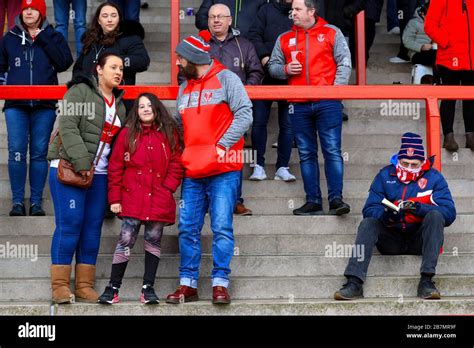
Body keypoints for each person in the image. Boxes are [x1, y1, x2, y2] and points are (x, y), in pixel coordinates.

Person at [166, 35, 252, 305]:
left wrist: (223, 146)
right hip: (193, 171)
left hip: (223, 170)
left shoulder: (228, 79)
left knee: (222, 227)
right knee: (187, 228)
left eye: (181, 58)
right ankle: (187, 284)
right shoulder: (184, 88)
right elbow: (180, 125)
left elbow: (245, 113)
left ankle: (220, 283)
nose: (178, 62)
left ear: (194, 58)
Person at [334, 133, 456, 300]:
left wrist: (419, 208)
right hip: (391, 240)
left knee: (435, 215)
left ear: (422, 163)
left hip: (418, 240)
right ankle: (354, 282)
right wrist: (387, 216)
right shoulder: (385, 175)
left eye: (414, 164)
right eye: (405, 163)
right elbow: (369, 208)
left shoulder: (434, 178)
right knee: (368, 222)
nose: (409, 167)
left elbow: (449, 213)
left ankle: (427, 281)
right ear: (398, 160)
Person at [47, 53, 127, 304]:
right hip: (69, 168)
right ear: (99, 70)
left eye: (121, 69)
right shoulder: (79, 91)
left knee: (92, 229)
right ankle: (60, 286)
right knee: (70, 224)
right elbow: (68, 126)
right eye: (113, 67)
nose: (118, 72)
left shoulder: (121, 104)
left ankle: (84, 286)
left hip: (100, 175)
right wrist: (83, 163)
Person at [98, 93, 184, 305]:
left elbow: (176, 162)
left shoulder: (169, 133)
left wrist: (168, 188)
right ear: (135, 111)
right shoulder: (127, 134)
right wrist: (115, 199)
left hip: (159, 198)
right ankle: (113, 287)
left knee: (153, 241)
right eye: (141, 106)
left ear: (156, 108)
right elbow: (116, 167)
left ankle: (148, 288)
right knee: (126, 240)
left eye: (149, 105)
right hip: (132, 198)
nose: (145, 109)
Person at [268, 0, 352, 216]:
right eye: (292, 10)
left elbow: (344, 63)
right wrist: (286, 69)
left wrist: (335, 92)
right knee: (306, 153)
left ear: (311, 11)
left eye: (297, 9)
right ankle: (313, 199)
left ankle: (336, 199)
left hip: (327, 101)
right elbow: (273, 67)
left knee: (332, 151)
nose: (292, 13)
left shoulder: (332, 32)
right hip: (298, 104)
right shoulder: (284, 38)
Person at [0, 0, 73, 217]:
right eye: (25, 9)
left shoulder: (53, 36)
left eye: (33, 9)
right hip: (16, 106)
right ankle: (17, 202)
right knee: (16, 153)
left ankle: (36, 202)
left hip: (44, 105)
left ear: (41, 13)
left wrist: (43, 37)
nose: (29, 12)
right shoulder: (9, 38)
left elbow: (64, 63)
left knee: (40, 153)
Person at [200, 3, 264, 216]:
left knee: (234, 154)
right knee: (206, 153)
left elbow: (256, 72)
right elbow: (185, 74)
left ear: (230, 20)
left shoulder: (243, 45)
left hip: (235, 112)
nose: (216, 20)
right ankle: (209, 200)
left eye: (220, 17)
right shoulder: (200, 46)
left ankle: (235, 201)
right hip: (205, 109)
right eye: (212, 17)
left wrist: (243, 93)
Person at [247, 0, 296, 183]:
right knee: (259, 121)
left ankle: (282, 166)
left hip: (291, 77)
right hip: (264, 75)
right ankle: (257, 165)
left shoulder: (299, 12)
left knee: (288, 124)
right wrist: (265, 57)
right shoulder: (265, 10)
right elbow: (254, 35)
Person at [73, 2, 150, 110]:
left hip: (120, 104)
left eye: (114, 16)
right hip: (90, 103)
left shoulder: (130, 38)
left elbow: (143, 61)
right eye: (105, 16)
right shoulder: (90, 41)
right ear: (99, 21)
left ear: (119, 19)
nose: (109, 19)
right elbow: (78, 69)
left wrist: (115, 63)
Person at [425, 0, 474, 152]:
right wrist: (446, 41)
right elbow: (429, 25)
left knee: (471, 99)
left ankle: (470, 136)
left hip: (471, 59)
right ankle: (448, 136)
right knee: (448, 99)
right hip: (448, 58)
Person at [195, 0, 269, 39]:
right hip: (217, 45)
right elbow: (200, 19)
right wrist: (219, 30)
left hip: (249, 48)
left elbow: (266, 25)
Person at [403, 2, 435, 67]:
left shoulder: (436, 22)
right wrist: (421, 47)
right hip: (417, 53)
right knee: (436, 56)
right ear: (423, 14)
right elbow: (407, 41)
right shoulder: (414, 23)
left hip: (433, 50)